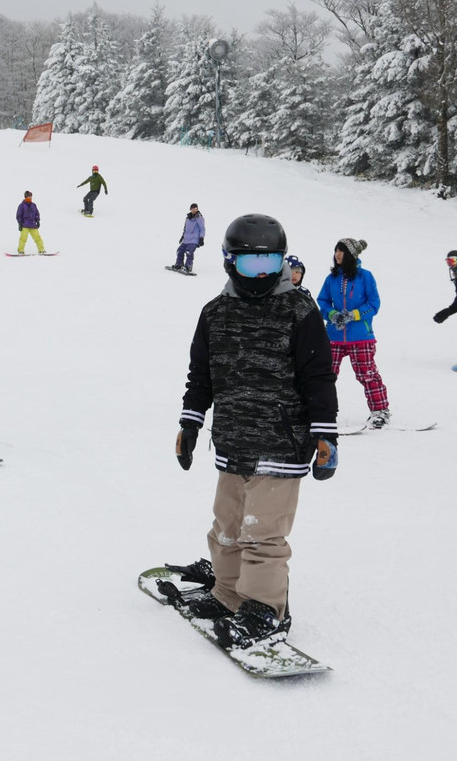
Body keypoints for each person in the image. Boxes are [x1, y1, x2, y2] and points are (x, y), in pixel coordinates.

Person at [173, 214, 338, 650]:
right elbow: (200, 376)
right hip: (232, 442)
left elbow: (319, 376)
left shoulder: (300, 310)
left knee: (263, 534)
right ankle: (228, 593)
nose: (262, 274)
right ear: (230, 263)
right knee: (227, 526)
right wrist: (191, 423)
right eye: (251, 265)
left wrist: (326, 435)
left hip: (281, 445)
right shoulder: (215, 313)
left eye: (270, 263)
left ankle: (264, 607)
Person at [317, 238, 390, 428]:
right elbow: (322, 302)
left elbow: (374, 304)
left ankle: (380, 412)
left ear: (351, 255)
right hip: (333, 336)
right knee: (325, 375)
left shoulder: (365, 276)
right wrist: (332, 314)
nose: (338, 255)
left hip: (360, 337)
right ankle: (321, 411)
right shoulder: (331, 278)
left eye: (342, 251)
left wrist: (353, 315)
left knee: (367, 375)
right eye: (336, 250)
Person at [169, 203, 206, 274]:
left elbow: (202, 229)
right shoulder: (188, 218)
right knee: (179, 251)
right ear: (190, 209)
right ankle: (179, 265)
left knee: (189, 252)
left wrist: (201, 238)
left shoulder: (199, 217)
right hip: (186, 239)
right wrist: (182, 237)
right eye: (193, 208)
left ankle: (188, 267)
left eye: (196, 208)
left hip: (194, 239)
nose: (194, 210)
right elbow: (185, 228)